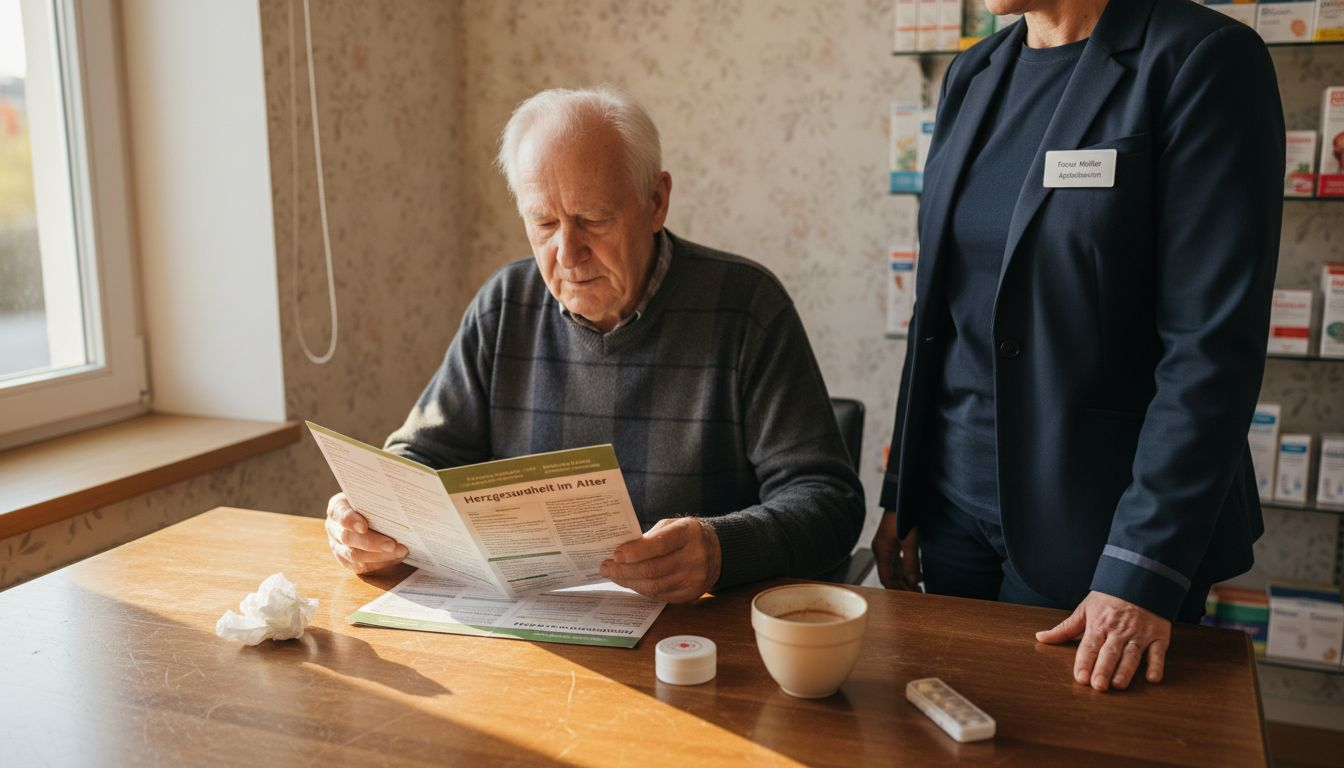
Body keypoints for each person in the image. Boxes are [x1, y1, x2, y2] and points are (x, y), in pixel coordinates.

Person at [872, 0, 1284, 692]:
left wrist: (1141, 571)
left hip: (1101, 531)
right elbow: (940, 310)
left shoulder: (1202, 59)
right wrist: (901, 494)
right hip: (953, 510)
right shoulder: (973, 73)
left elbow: (1210, 350)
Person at [325, 87, 864, 603]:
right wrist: (369, 516)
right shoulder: (504, 306)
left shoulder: (746, 308)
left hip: (699, 639)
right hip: (532, 634)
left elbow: (828, 502)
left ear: (656, 202)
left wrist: (722, 549)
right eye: (543, 222)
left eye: (593, 219)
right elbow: (418, 458)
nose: (568, 252)